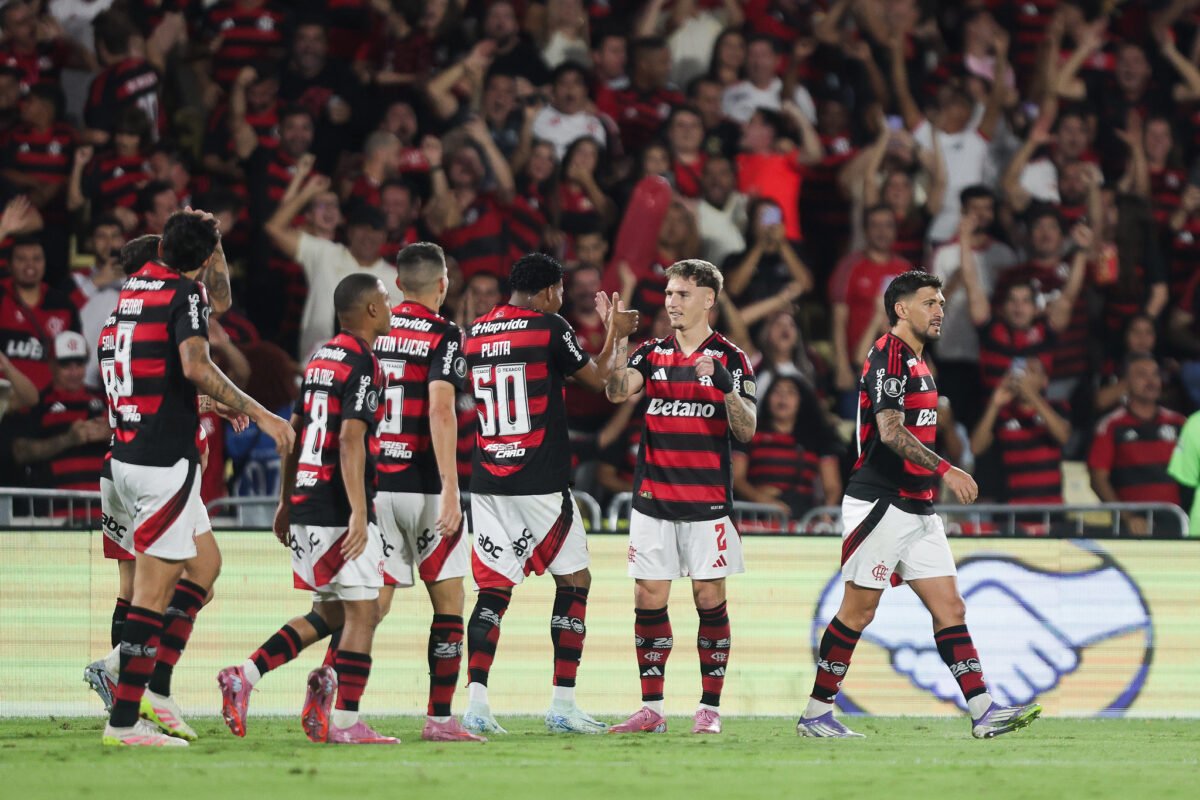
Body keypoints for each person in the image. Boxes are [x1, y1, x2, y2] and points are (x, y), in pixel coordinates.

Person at [796, 271, 1042, 739]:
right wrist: (947, 469)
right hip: (881, 501)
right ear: (901, 309)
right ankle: (815, 712)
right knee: (858, 610)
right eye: (929, 302)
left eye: (942, 302)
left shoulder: (918, 361)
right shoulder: (889, 354)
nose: (940, 311)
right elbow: (889, 432)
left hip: (917, 507)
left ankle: (983, 710)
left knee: (950, 606)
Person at [101, 212, 292, 747]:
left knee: (204, 566)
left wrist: (204, 401)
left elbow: (148, 378)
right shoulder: (182, 293)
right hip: (159, 462)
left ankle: (149, 689)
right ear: (205, 260)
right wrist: (261, 413)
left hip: (126, 455)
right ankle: (124, 718)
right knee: (152, 593)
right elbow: (193, 362)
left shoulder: (127, 301)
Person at [460, 252, 638, 736]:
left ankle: (476, 706)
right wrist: (616, 332)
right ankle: (562, 704)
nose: (561, 299)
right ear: (545, 293)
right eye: (558, 291)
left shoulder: (474, 332)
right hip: (539, 478)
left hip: (488, 481)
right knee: (575, 582)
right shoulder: (548, 325)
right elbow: (600, 381)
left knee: (493, 591)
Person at [217, 273, 396, 745]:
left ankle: (248, 675)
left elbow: (294, 430)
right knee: (364, 612)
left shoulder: (321, 357)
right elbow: (350, 439)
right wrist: (360, 513)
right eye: (385, 298)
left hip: (307, 500)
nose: (391, 304)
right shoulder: (364, 362)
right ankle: (345, 721)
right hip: (337, 506)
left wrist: (284, 499)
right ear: (371, 310)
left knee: (334, 612)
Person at [603, 258, 757, 735]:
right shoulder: (651, 353)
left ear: (708, 299)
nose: (672, 301)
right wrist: (618, 339)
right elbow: (613, 391)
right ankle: (651, 708)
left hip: (707, 501)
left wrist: (728, 388)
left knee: (708, 598)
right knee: (649, 598)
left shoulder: (732, 357)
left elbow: (747, 430)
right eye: (669, 293)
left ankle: (709, 708)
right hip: (653, 499)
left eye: (682, 294)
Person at [370, 243, 483, 742]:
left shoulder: (372, 329)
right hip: (422, 487)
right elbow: (441, 410)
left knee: (370, 607)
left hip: (376, 485)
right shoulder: (444, 334)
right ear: (443, 285)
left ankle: (331, 691)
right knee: (450, 602)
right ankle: (439, 717)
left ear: (397, 285)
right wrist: (451, 489)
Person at [264, 175, 403, 360]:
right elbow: (274, 228)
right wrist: (308, 192)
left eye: (375, 230)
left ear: (385, 236)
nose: (368, 236)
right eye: (362, 227)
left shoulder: (396, 280)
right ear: (349, 231)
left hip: (367, 379)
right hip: (316, 368)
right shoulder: (325, 253)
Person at [1089, 353, 1187, 537]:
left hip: (1176, 522)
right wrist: (1127, 518)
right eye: (1142, 375)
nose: (1151, 381)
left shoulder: (1180, 423)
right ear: (1126, 382)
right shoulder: (1111, 425)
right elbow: (1098, 479)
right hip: (1131, 528)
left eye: (1155, 375)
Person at [10, 331, 108, 494]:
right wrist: (67, 439)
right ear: (51, 364)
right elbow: (19, 452)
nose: (74, 372)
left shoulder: (106, 399)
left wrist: (110, 434)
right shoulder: (37, 403)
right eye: (66, 365)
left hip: (102, 508)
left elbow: (136, 441)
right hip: (54, 512)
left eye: (79, 364)